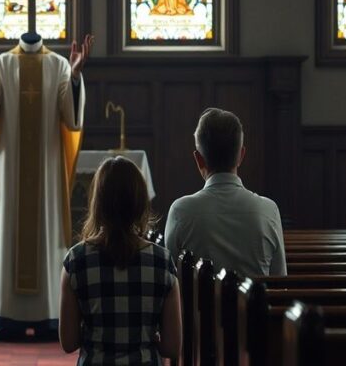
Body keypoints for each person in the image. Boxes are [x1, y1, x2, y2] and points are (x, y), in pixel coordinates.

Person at [0, 31, 92, 341]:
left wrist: (75, 77)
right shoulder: (0, 65)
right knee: (11, 230)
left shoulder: (59, 65)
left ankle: (47, 316)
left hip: (47, 177)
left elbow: (73, 121)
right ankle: (9, 316)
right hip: (9, 176)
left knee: (45, 232)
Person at [60, 157, 182, 365]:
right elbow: (172, 346)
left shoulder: (76, 260)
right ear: (140, 203)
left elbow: (69, 342)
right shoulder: (162, 261)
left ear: (98, 203)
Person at [164, 108, 287, 277]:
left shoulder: (180, 211)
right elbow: (279, 280)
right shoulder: (268, 210)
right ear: (241, 155)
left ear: (198, 159)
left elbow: (170, 278)